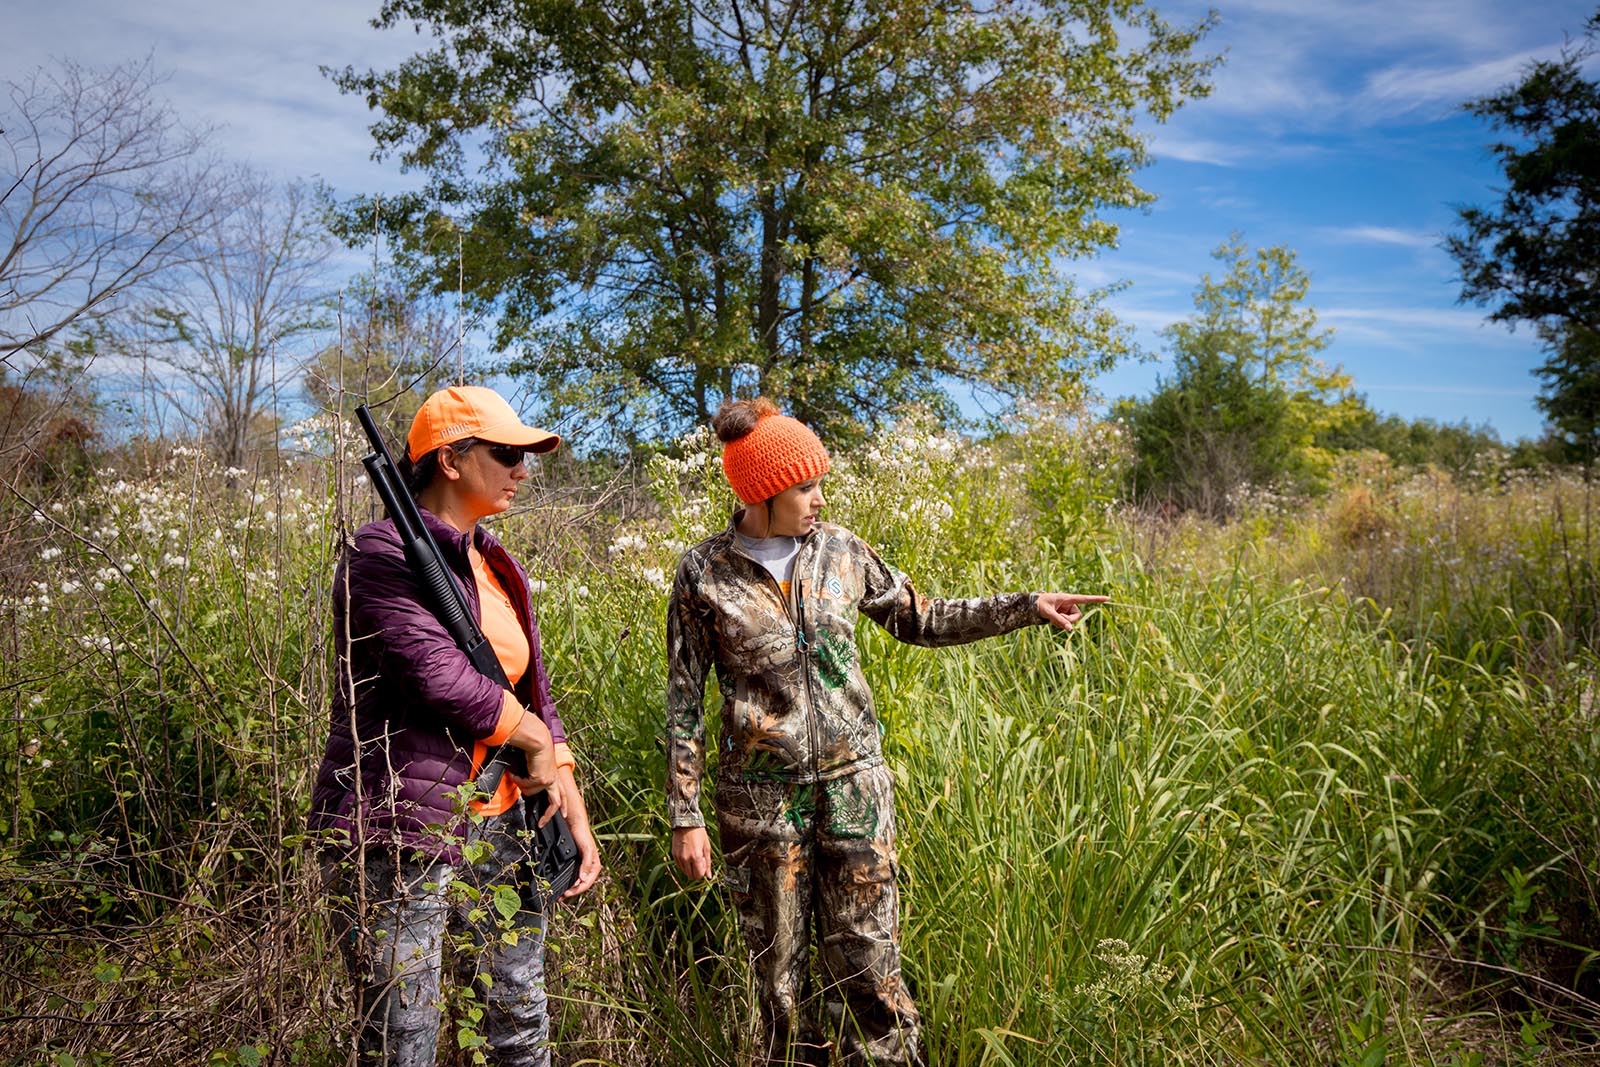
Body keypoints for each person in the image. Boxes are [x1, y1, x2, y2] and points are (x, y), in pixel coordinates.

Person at [665, 397, 1108, 1066]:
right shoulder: (704, 573)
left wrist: (1026, 607)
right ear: (764, 489)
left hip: (855, 793)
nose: (819, 498)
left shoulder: (842, 551)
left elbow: (920, 618)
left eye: (820, 483)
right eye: (806, 485)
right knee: (779, 986)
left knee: (871, 972)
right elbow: (683, 700)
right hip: (759, 807)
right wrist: (684, 813)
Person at [311, 385, 602, 1067]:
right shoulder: (380, 554)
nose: (523, 468)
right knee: (400, 1043)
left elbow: (531, 693)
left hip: (504, 822)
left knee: (519, 1029)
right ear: (449, 459)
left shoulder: (496, 564)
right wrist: (528, 737)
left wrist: (569, 796)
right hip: (403, 828)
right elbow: (438, 675)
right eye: (507, 452)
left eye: (526, 455)